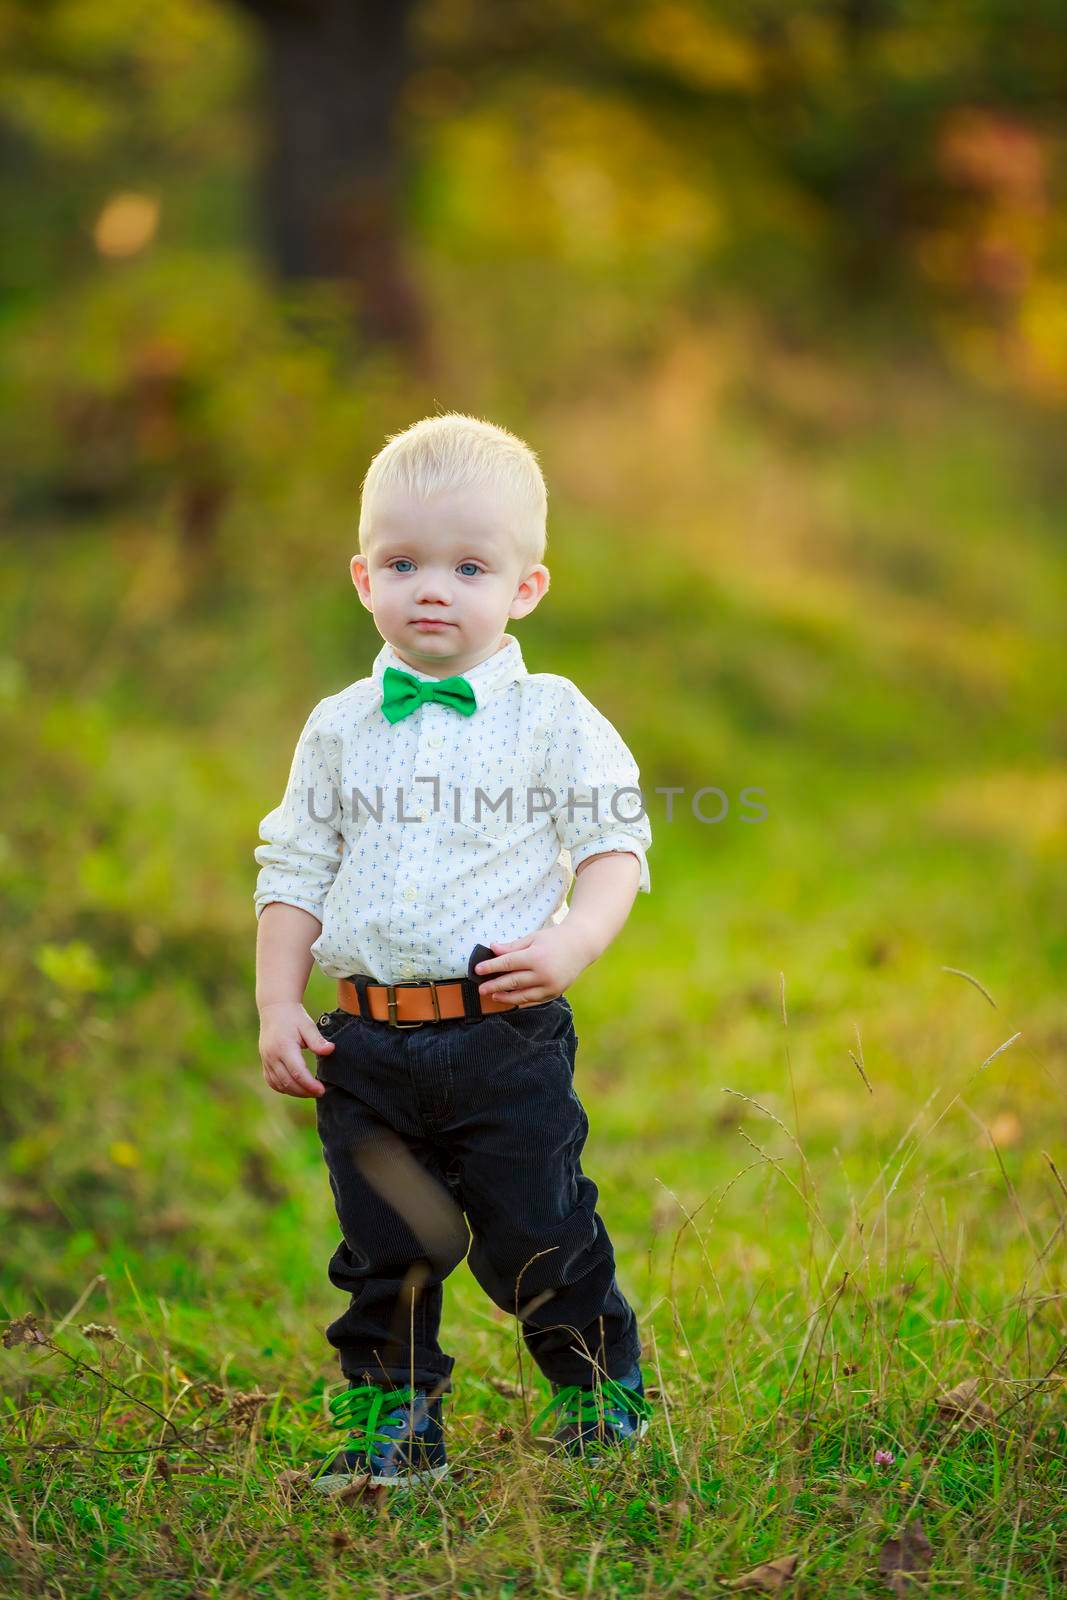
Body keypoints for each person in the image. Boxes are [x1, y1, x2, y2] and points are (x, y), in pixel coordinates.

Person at [254, 412, 654, 1492]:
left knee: (534, 1233)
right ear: (361, 576)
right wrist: (276, 1003)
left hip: (501, 1037)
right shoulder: (338, 727)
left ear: (523, 588)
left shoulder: (550, 717)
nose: (433, 587)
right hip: (367, 1044)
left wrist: (571, 939)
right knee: (385, 1250)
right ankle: (397, 1427)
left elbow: (615, 842)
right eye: (403, 563)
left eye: (467, 566)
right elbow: (291, 866)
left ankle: (595, 1388)